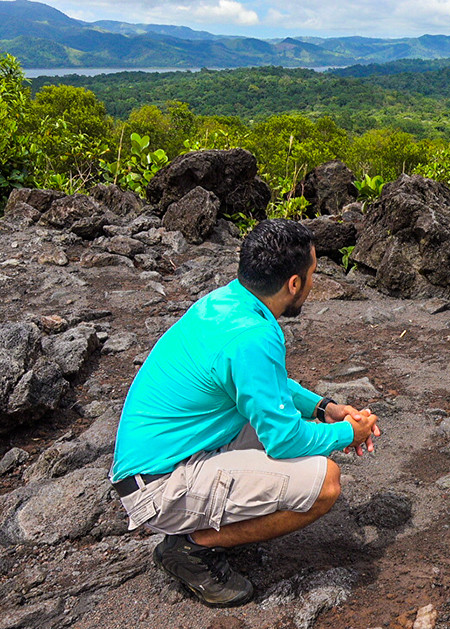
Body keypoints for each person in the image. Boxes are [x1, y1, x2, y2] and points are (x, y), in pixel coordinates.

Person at [109, 219, 380, 608]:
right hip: (157, 487)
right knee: (325, 484)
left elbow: (264, 385)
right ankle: (190, 548)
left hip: (163, 456)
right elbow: (284, 440)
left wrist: (326, 410)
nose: (313, 281)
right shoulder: (252, 335)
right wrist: (347, 435)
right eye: (313, 273)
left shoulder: (228, 302)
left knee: (300, 443)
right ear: (293, 283)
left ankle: (202, 524)